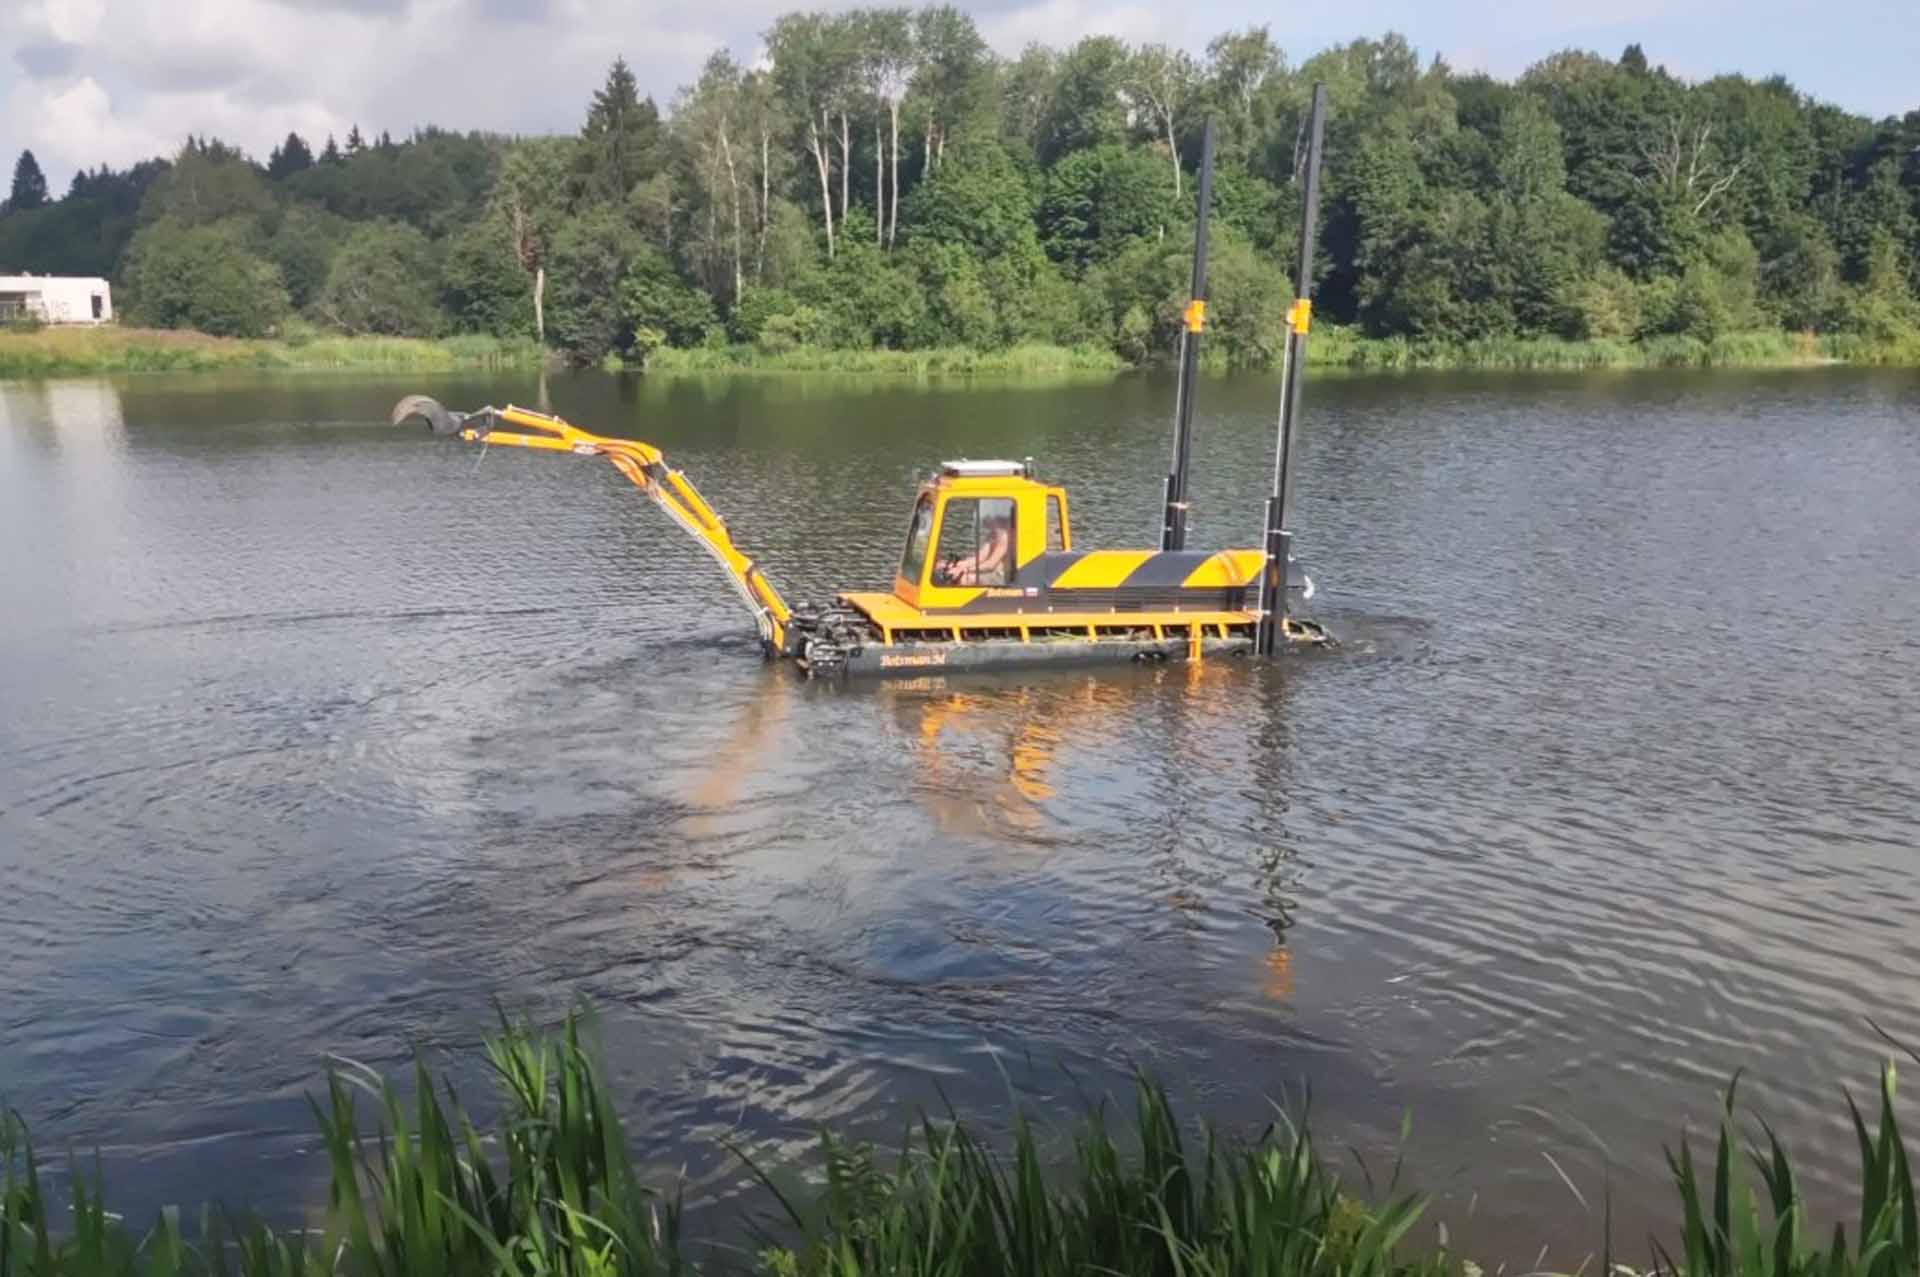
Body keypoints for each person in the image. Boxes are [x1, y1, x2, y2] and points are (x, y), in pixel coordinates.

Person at [938, 508, 1012, 585]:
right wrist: (954, 565)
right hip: (990, 573)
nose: (984, 524)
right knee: (954, 575)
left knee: (966, 579)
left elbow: (991, 565)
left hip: (1000, 576)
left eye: (987, 520)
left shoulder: (1004, 537)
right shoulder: (992, 535)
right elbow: (980, 557)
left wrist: (966, 569)